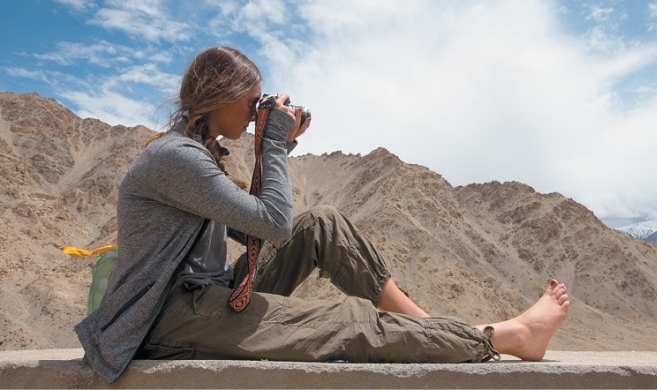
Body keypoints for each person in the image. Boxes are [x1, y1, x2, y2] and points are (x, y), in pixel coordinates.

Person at [74, 46, 570, 383]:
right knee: (345, 323)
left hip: (208, 297)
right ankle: (502, 338)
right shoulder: (175, 158)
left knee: (322, 224)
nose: (254, 112)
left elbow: (266, 225)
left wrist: (276, 143)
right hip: (167, 319)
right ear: (218, 97)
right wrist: (273, 143)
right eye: (251, 102)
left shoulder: (197, 153)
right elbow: (271, 223)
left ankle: (434, 327)